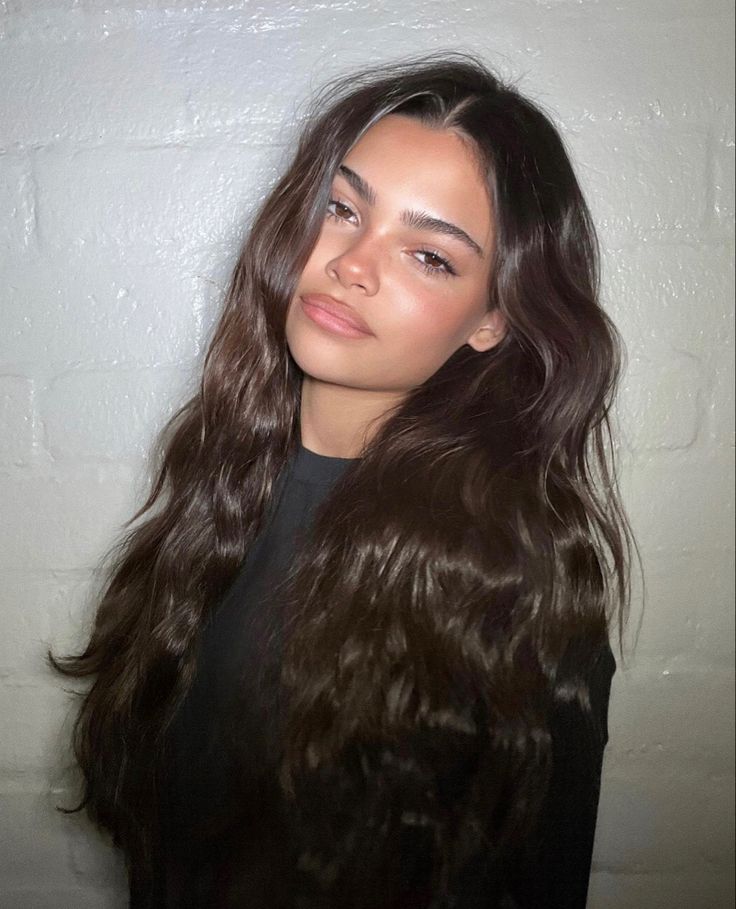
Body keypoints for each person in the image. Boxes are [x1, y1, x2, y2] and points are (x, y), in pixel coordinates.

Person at [50, 52, 636, 908]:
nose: (353, 263)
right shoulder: (216, 499)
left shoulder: (513, 587)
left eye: (429, 256)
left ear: (492, 319)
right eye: (341, 208)